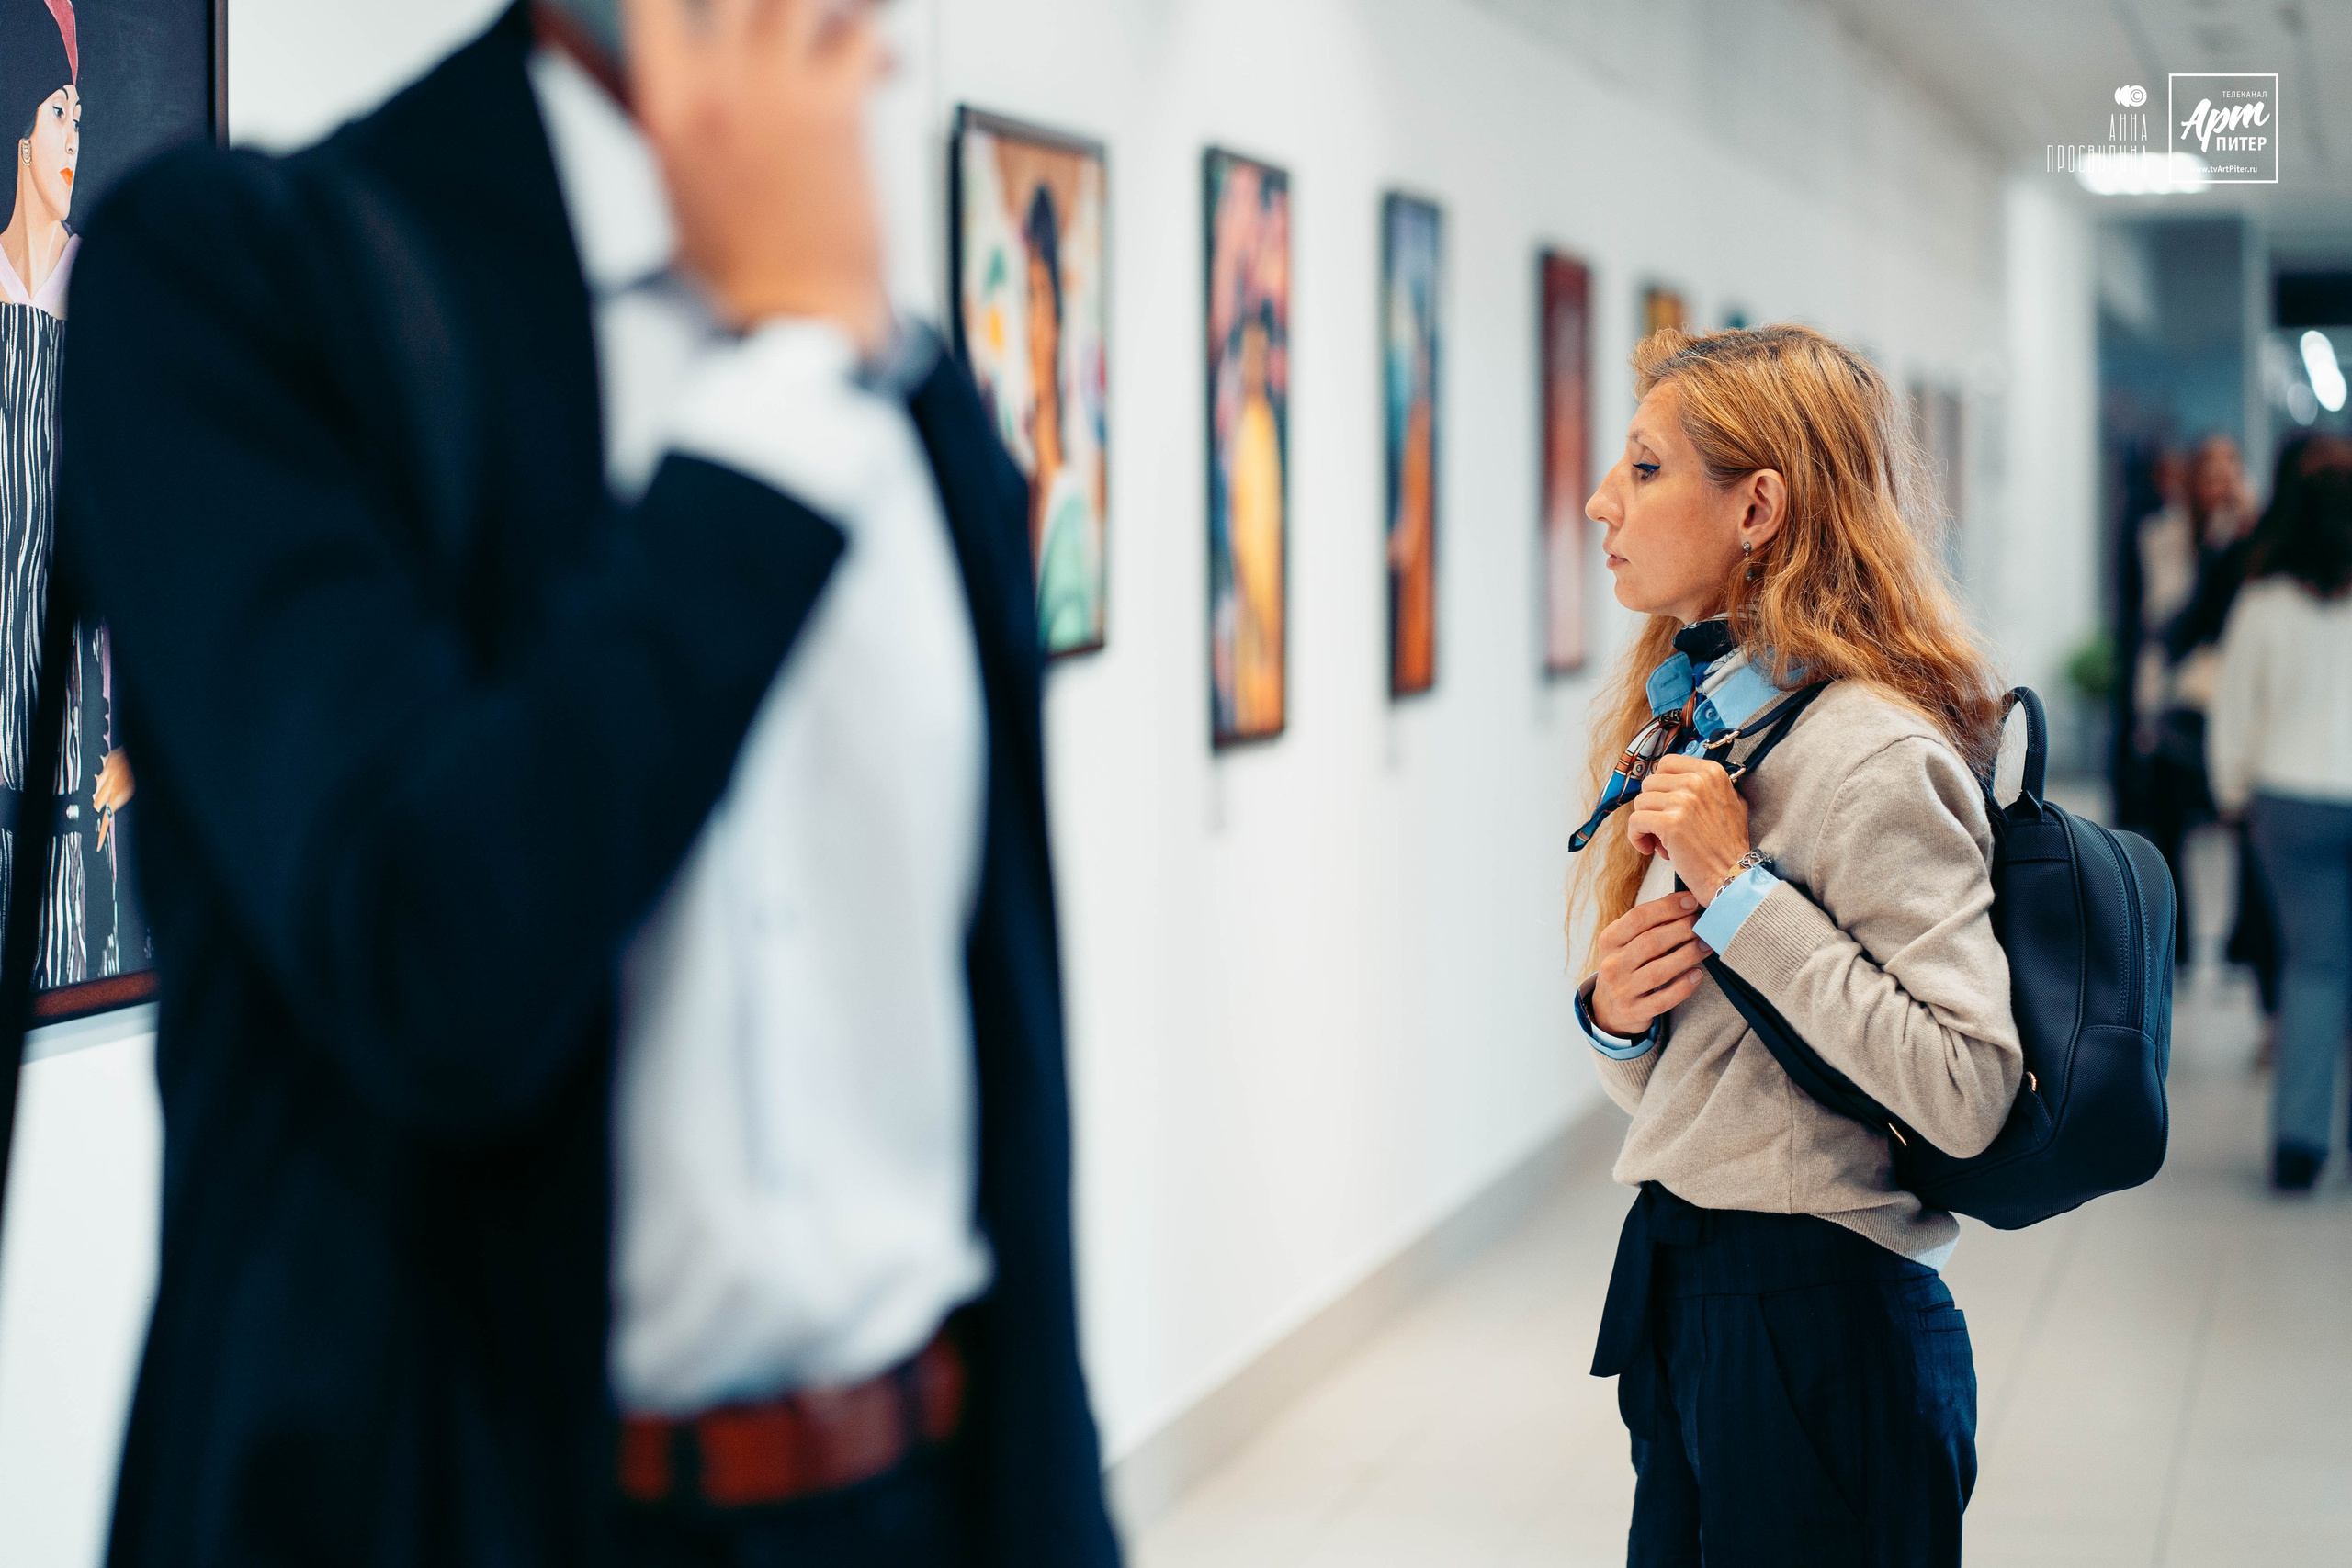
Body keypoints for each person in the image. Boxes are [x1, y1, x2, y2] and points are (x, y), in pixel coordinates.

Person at [59, 1, 1120, 1564]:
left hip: (911, 1492)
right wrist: (783, 386)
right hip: (472, 1509)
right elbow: (434, 955)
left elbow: (1008, 1093)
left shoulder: (924, 415)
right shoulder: (247, 289)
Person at [1568, 324, 2021, 1567]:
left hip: (1822, 1327)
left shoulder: (1870, 751)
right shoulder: (1716, 727)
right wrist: (1617, 1013)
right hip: (1695, 1294)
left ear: (1758, 504)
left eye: (1647, 468)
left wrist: (1742, 890)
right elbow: (1693, 1081)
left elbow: (1968, 1089)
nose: (1602, 501)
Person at [2209, 466, 2352, 1192]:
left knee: (2315, 966)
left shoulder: (2262, 604)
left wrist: (2231, 787)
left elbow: (2234, 705)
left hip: (2288, 802)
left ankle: (2300, 1143)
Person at [2129, 433, 2256, 960]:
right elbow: (2161, 617)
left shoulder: (2254, 538)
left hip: (2235, 694)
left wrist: (2241, 534)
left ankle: (2242, 941)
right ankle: (2173, 942)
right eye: (2211, 470)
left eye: (2231, 469)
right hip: (2179, 696)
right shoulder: (2165, 536)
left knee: (2243, 822)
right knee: (2166, 821)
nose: (2221, 482)